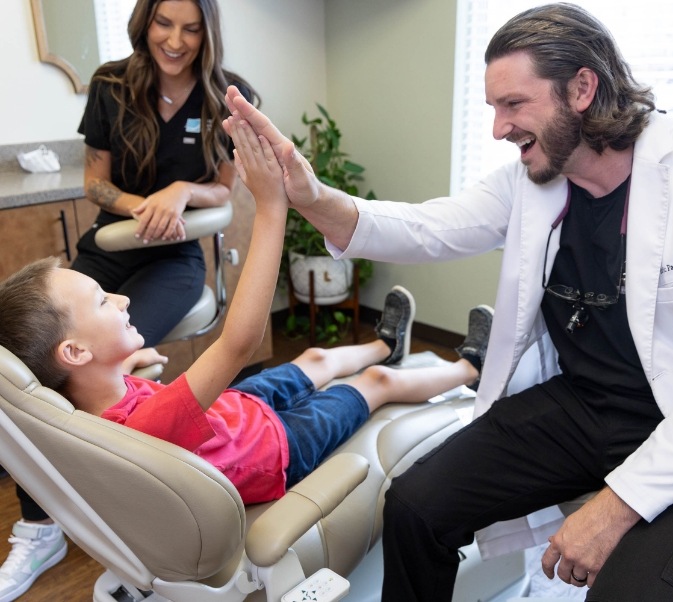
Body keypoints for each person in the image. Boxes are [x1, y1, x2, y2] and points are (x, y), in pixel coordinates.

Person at [222, 4, 673, 600]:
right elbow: (426, 228)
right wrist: (311, 192)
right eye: (492, 108)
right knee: (414, 505)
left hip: (664, 422)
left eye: (514, 105)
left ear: (583, 88)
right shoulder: (534, 179)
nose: (498, 128)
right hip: (586, 403)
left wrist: (618, 505)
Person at [0, 119, 493, 584]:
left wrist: (122, 361)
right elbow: (239, 341)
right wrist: (270, 205)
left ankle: (387, 343)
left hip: (237, 410)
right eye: (103, 300)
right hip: (277, 448)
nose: (124, 297)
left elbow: (122, 381)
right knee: (376, 385)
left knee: (317, 359)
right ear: (76, 353)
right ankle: (471, 366)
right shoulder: (149, 426)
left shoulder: (84, 405)